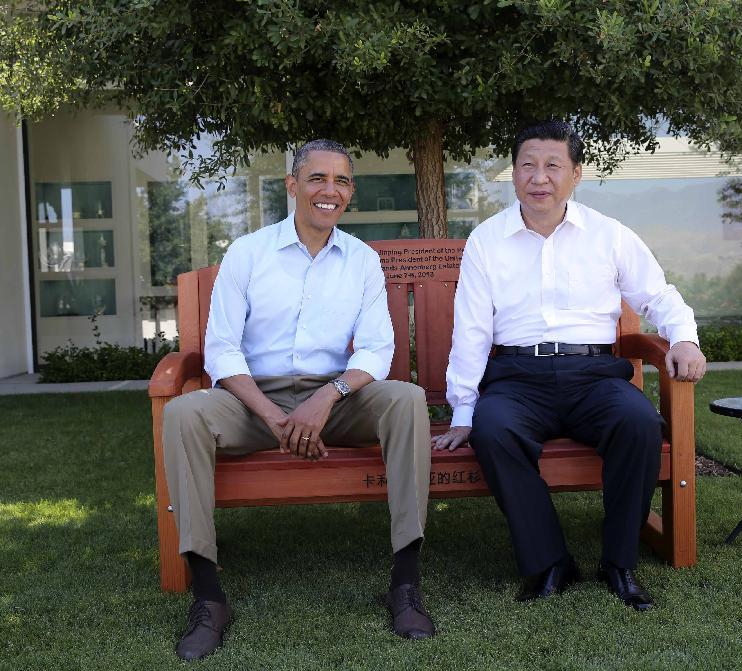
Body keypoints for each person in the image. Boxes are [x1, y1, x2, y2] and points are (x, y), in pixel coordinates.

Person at [162, 139, 435, 661]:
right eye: (316, 179)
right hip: (251, 402)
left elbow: (378, 348)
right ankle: (209, 596)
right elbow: (221, 349)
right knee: (183, 413)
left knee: (406, 400)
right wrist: (273, 413)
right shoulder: (248, 252)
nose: (328, 191)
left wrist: (325, 399)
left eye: (341, 181)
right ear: (292, 186)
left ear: (350, 192)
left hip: (331, 402)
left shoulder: (360, 260)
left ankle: (404, 583)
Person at [432, 120, 706, 611]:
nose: (540, 177)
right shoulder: (487, 240)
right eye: (528, 165)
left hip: (594, 378)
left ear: (576, 174)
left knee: (639, 422)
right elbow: (471, 330)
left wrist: (683, 339)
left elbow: (659, 295)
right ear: (513, 174)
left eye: (553, 166)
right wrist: (463, 411)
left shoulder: (609, 235)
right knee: (493, 432)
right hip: (518, 380)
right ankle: (550, 561)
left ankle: (619, 562)